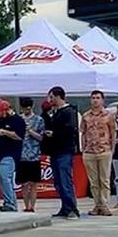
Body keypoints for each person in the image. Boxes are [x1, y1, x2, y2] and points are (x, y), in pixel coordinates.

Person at [44, 86, 80, 220]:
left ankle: (72, 208)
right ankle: (65, 207)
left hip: (65, 151)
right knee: (58, 182)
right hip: (55, 151)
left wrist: (55, 133)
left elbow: (70, 130)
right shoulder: (55, 112)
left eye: (52, 97)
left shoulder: (69, 112)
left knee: (65, 180)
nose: (50, 100)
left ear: (58, 96)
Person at [81, 90, 116, 216]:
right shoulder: (86, 116)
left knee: (104, 179)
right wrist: (83, 148)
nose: (95, 100)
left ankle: (105, 204)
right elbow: (83, 133)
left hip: (104, 150)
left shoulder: (108, 115)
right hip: (89, 151)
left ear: (102, 100)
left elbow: (113, 132)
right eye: (93, 98)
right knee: (94, 181)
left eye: (98, 98)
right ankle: (97, 204)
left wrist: (112, 148)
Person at [0, 99, 26, 212]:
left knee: (4, 175)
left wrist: (5, 132)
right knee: (2, 177)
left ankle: (10, 203)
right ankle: (9, 201)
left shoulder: (17, 120)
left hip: (10, 153)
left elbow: (19, 136)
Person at [18, 97, 45, 212]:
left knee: (34, 183)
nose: (26, 110)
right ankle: (26, 206)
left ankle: (32, 206)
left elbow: (41, 137)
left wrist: (30, 131)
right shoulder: (19, 119)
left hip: (34, 155)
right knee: (24, 183)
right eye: (24, 108)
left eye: (28, 108)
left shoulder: (39, 120)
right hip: (21, 155)